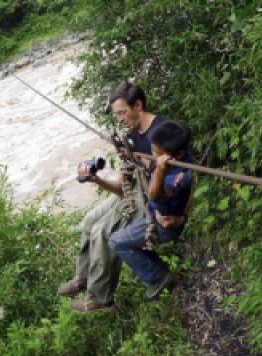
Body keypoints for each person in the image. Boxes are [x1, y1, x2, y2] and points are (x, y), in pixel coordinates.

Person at [57, 81, 186, 313]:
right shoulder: (132, 136)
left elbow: (185, 175)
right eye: (116, 114)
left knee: (102, 231)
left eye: (122, 112)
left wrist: (179, 213)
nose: (120, 119)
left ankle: (99, 298)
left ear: (138, 105)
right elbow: (122, 187)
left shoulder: (162, 134)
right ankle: (83, 277)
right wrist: (96, 180)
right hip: (134, 190)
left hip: (150, 197)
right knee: (89, 221)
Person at [108, 120, 192, 301]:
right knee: (122, 236)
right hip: (158, 216)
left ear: (177, 155)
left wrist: (160, 170)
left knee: (116, 242)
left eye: (158, 154)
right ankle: (158, 272)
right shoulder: (182, 159)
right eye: (152, 150)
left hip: (162, 224)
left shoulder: (174, 177)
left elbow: (153, 195)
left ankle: (158, 277)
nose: (154, 156)